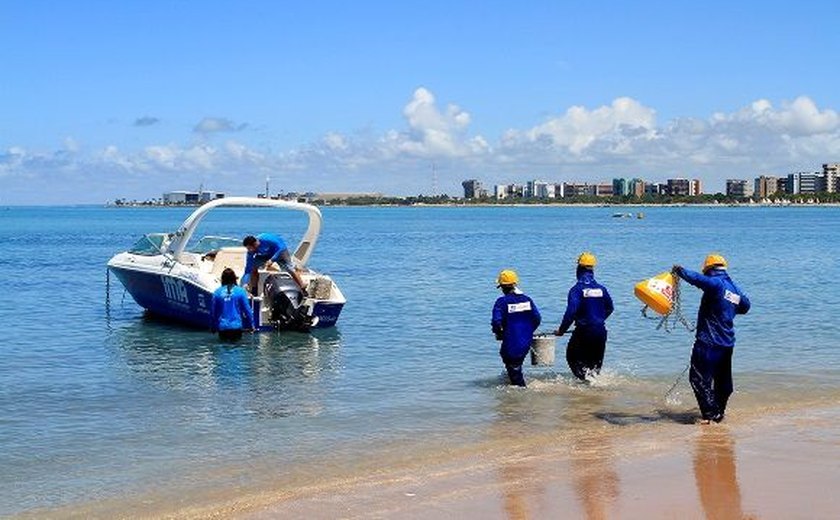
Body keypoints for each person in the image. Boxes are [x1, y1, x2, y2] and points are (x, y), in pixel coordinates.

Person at [673, 254, 750, 424]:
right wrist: (728, 307)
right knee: (723, 381)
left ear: (708, 269)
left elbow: (699, 280)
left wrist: (680, 271)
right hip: (727, 343)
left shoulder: (715, 283)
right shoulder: (733, 288)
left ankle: (710, 415)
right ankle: (719, 412)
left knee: (698, 378)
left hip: (709, 341)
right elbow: (746, 306)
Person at [554, 252, 614, 381]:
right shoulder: (601, 289)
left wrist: (561, 330)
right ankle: (594, 393)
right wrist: (597, 320)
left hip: (584, 332)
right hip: (600, 332)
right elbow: (610, 308)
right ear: (593, 270)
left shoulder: (576, 290)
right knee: (594, 367)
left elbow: (570, 313)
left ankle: (585, 389)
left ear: (578, 269)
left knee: (572, 357)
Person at [491, 269, 542, 387]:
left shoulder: (501, 302)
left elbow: (496, 322)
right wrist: (527, 332)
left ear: (502, 287)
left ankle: (520, 398)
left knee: (514, 371)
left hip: (511, 344)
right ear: (515, 284)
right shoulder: (527, 299)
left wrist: (499, 333)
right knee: (515, 366)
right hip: (525, 342)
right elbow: (537, 318)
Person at [241, 233, 307, 296]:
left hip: (280, 252)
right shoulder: (251, 251)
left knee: (290, 269)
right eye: (248, 248)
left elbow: (281, 248)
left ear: (255, 244)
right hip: (265, 255)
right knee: (253, 268)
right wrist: (245, 283)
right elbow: (248, 269)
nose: (249, 250)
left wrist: (272, 260)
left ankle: (302, 288)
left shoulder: (267, 239)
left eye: (249, 248)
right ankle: (254, 291)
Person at [211, 268, 255, 341]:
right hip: (236, 326)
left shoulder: (217, 292)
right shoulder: (240, 291)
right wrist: (251, 325)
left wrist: (213, 326)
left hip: (223, 327)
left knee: (223, 348)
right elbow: (247, 310)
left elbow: (213, 312)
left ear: (222, 279)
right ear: (234, 278)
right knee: (235, 349)